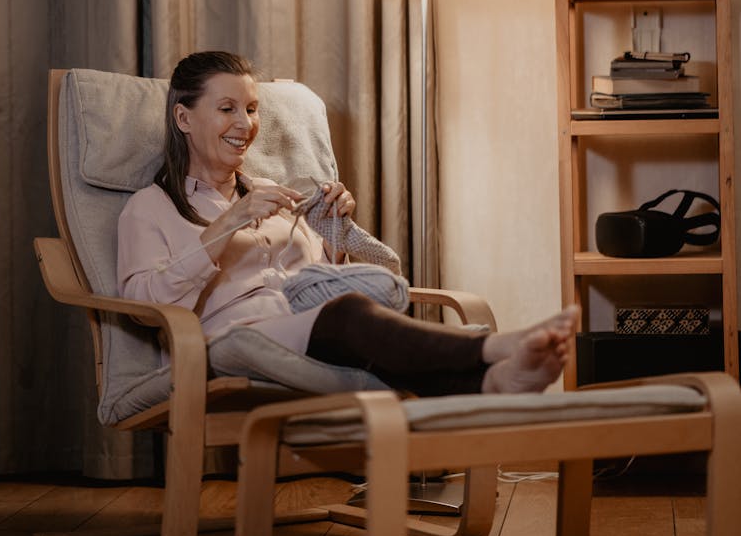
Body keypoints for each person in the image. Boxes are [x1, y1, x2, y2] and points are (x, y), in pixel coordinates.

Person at [117, 50, 579, 397]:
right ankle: (489, 350)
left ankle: (493, 381)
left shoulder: (271, 190)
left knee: (350, 309)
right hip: (235, 337)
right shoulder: (149, 207)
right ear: (183, 117)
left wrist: (335, 228)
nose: (246, 124)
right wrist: (226, 225)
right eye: (227, 109)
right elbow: (143, 303)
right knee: (348, 315)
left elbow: (318, 275)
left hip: (312, 326)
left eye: (252, 108)